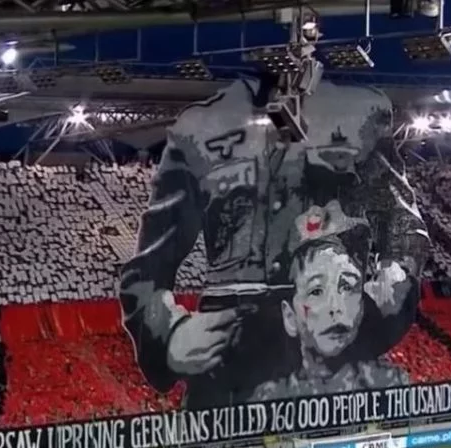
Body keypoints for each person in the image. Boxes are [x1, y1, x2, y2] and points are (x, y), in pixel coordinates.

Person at [119, 76, 430, 409]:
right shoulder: (198, 128)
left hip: (335, 369)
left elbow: (404, 226)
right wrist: (170, 334)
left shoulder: (360, 111)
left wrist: (388, 297)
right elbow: (146, 269)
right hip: (228, 377)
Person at [251, 202, 409, 400]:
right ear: (290, 316)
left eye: (347, 287)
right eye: (316, 291)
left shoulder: (390, 386)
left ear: (361, 306)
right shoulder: (269, 399)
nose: (336, 307)